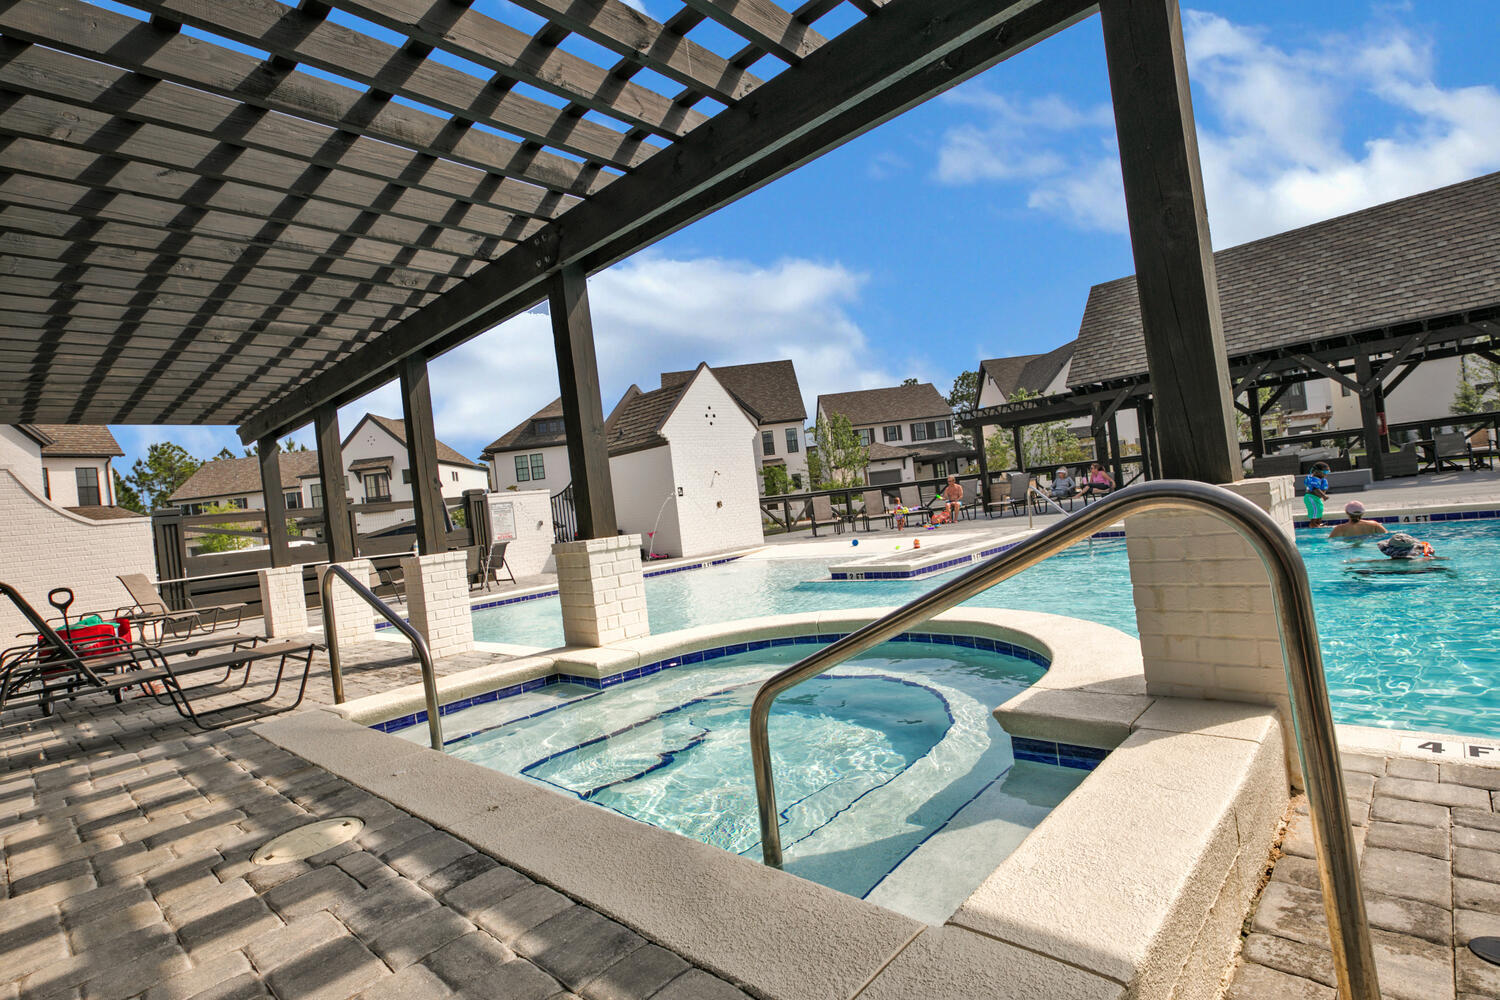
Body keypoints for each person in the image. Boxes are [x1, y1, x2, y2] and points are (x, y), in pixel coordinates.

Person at [1303, 462, 1331, 527]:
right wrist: (1324, 496)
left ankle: (1318, 523)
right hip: (1311, 498)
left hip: (1315, 498)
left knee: (1319, 509)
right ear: (1317, 472)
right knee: (1315, 511)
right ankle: (1313, 524)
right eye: (1325, 472)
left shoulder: (1319, 479)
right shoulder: (1314, 479)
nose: (1326, 474)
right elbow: (1315, 489)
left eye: (1328, 472)